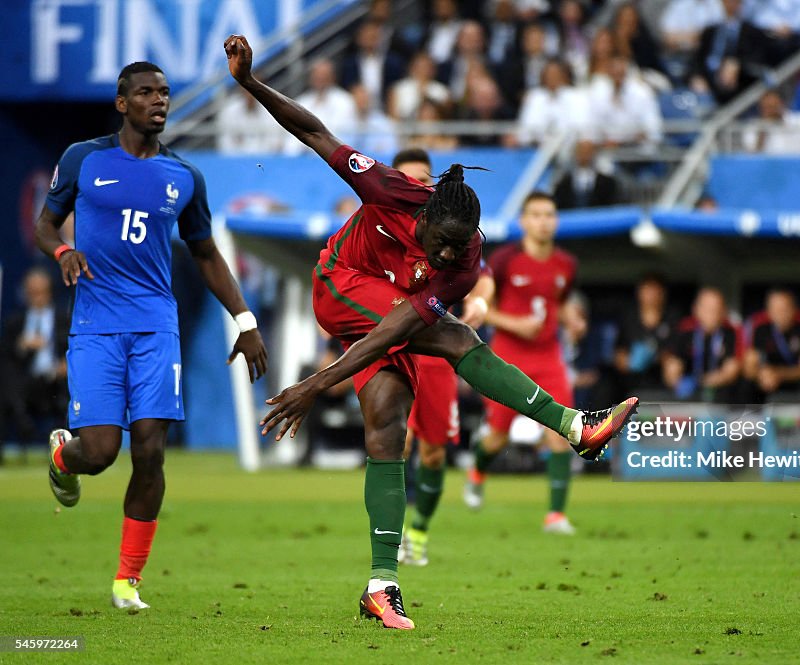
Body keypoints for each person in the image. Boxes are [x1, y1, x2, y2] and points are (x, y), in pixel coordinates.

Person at [224, 34, 637, 631]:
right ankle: (574, 426)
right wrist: (249, 83)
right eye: (439, 244)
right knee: (455, 340)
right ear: (422, 217)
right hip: (341, 280)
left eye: (458, 247)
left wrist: (316, 385)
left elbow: (393, 328)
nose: (446, 258)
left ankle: (380, 585)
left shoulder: (466, 260)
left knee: (388, 423)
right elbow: (315, 132)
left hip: (379, 314)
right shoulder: (389, 188)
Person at [37, 61, 268, 610]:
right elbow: (45, 224)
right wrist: (63, 250)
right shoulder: (83, 159)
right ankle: (63, 458)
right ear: (123, 103)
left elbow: (207, 253)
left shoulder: (185, 177)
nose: (158, 101)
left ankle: (127, 581)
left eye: (164, 93)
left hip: (156, 328)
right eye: (146, 93)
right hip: (95, 327)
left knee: (150, 450)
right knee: (100, 451)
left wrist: (246, 321)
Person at [390, 148, 496, 567]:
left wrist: (482, 306)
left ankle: (418, 532)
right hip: (394, 346)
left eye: (425, 181)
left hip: (434, 352)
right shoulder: (383, 224)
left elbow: (483, 279)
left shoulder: (451, 237)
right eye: (408, 180)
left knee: (433, 452)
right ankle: (391, 535)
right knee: (395, 443)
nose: (418, 188)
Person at [463, 191, 587, 535]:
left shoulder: (566, 264)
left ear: (556, 220)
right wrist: (515, 324)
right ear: (523, 221)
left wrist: (571, 319)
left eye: (549, 215)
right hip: (508, 356)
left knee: (563, 432)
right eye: (536, 215)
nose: (543, 221)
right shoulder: (503, 261)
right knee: (497, 438)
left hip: (549, 357)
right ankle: (477, 473)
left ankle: (555, 516)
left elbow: (556, 302)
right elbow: (479, 303)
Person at [0, 268, 71, 446]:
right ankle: (23, 428)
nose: (37, 297)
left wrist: (68, 364)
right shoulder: (16, 322)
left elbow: (77, 350)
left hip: (56, 381)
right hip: (25, 382)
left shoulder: (64, 319)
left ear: (50, 292)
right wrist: (21, 347)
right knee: (8, 384)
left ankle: (70, 447)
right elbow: (6, 356)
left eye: (41, 292)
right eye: (32, 293)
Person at [662, 287, 742, 403]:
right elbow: (672, 367)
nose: (712, 315)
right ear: (696, 309)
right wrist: (677, 382)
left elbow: (730, 372)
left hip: (723, 400)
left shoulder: (732, 332)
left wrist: (698, 382)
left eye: (716, 309)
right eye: (707, 309)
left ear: (724, 311)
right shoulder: (685, 330)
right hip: (688, 399)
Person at [742, 288, 800, 402]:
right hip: (766, 383)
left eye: (784, 309)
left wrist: (778, 374)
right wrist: (762, 375)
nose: (780, 314)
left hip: (795, 386)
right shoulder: (760, 328)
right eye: (776, 309)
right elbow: (749, 368)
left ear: (793, 309)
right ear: (768, 311)